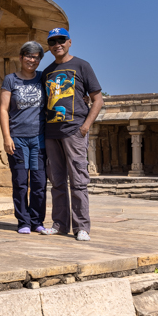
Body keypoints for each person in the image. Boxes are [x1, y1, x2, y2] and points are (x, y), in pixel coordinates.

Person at [42, 28, 104, 241]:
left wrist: (85, 126)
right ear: (49, 47)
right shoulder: (47, 72)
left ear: (69, 42)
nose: (57, 44)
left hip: (74, 130)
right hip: (51, 133)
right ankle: (59, 225)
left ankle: (81, 227)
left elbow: (98, 99)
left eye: (61, 40)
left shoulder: (82, 66)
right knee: (57, 181)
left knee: (78, 179)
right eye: (52, 42)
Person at [0, 41, 56, 234]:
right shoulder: (11, 80)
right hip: (18, 139)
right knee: (21, 182)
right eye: (29, 56)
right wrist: (7, 137)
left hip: (38, 139)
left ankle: (37, 221)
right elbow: (3, 109)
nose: (32, 60)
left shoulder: (42, 78)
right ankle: (23, 222)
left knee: (39, 182)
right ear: (21, 57)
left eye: (36, 57)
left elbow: (59, 95)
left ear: (40, 60)